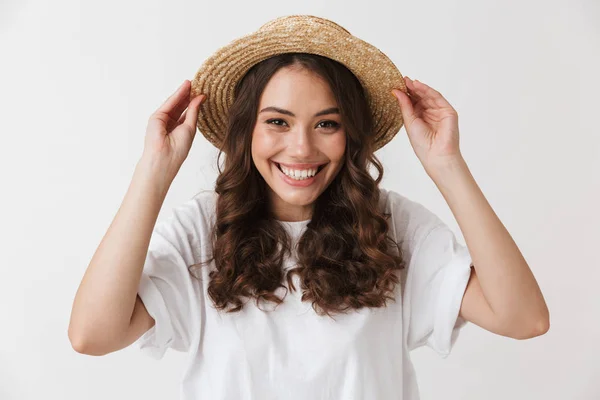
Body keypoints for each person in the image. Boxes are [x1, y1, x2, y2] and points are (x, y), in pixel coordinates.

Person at [68, 15, 549, 400]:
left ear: (351, 135)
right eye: (278, 121)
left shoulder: (391, 226)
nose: (301, 149)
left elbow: (523, 318)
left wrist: (447, 165)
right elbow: (92, 335)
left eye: (326, 124)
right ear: (247, 131)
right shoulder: (202, 228)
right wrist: (153, 172)